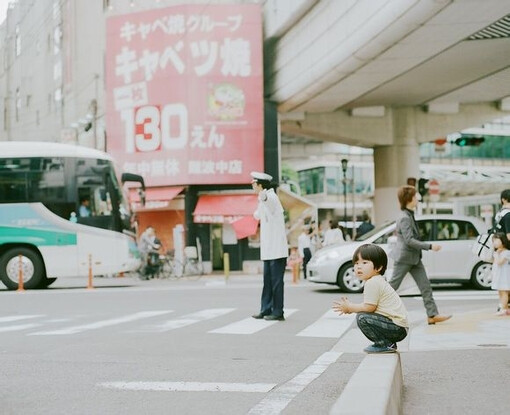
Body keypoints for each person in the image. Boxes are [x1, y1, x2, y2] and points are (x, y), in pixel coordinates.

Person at [388, 185, 451, 325]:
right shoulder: (404, 217)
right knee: (392, 286)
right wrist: (430, 246)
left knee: (425, 287)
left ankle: (432, 315)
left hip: (414, 258)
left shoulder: (409, 214)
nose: (418, 198)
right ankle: (373, 306)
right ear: (409, 199)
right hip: (405, 258)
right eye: (415, 196)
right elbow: (409, 240)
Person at [332, 244, 408, 353]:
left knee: (362, 318)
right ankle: (388, 343)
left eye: (364, 263)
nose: (359, 266)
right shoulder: (376, 280)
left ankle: (385, 344)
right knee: (363, 315)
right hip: (398, 327)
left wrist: (350, 307)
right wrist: (351, 308)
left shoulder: (372, 282)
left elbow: (369, 308)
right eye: (356, 263)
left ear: (379, 267)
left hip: (396, 328)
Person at [250, 171, 289, 321]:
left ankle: (278, 312)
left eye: (254, 184)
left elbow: (266, 199)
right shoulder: (263, 200)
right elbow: (257, 215)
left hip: (277, 251)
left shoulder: (271, 197)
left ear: (260, 185)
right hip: (268, 251)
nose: (252, 186)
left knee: (277, 283)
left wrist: (262, 194)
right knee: (267, 282)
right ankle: (265, 309)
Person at [491, 233, 510, 316]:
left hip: (504, 275)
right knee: (500, 292)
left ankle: (504, 308)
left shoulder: (507, 252)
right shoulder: (496, 252)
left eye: (496, 240)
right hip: (498, 275)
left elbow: (499, 262)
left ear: (503, 241)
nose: (494, 243)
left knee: (504, 292)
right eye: (493, 241)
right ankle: (504, 308)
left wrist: (497, 254)